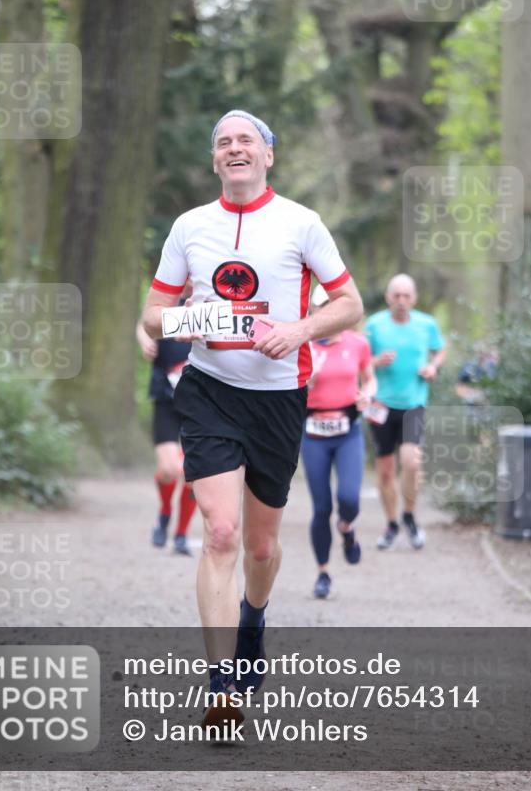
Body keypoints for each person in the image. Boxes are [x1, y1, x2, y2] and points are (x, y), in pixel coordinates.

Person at [141, 109, 363, 727]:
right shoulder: (189, 227)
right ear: (215, 161)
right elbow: (155, 315)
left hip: (278, 399)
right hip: (210, 391)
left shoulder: (301, 223)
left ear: (268, 155)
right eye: (223, 143)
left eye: (246, 140)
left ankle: (254, 620)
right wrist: (199, 319)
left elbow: (349, 303)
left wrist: (298, 330)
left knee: (261, 546)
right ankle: (221, 682)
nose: (234, 149)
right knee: (219, 532)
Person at [301, 284, 376, 599]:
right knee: (321, 507)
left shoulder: (357, 344)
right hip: (313, 433)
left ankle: (346, 528)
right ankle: (323, 573)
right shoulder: (302, 346)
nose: (329, 312)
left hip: (347, 431)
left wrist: (367, 395)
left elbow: (370, 378)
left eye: (333, 306)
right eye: (322, 307)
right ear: (313, 312)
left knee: (349, 499)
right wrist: (305, 383)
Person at [364, 274, 446, 551]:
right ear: (388, 297)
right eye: (396, 295)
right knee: (385, 472)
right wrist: (375, 361)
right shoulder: (374, 325)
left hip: (414, 404)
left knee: (411, 463)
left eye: (406, 296)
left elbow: (440, 350)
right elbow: (361, 362)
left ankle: (409, 515)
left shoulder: (426, 324)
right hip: (382, 406)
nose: (401, 301)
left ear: (414, 298)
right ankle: (391, 524)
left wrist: (434, 366)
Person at [135, 319, 196, 555]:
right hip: (165, 399)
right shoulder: (170, 300)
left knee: (193, 476)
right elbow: (143, 323)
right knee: (170, 469)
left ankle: (181, 534)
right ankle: (165, 512)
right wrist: (146, 341)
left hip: (200, 403)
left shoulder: (213, 297)